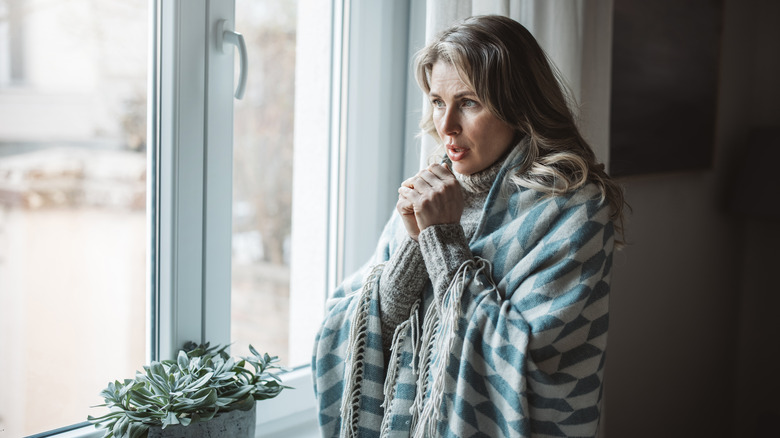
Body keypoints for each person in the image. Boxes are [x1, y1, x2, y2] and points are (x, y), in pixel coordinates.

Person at [312, 14, 625, 438]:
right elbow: (358, 324)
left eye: (469, 102)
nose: (445, 126)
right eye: (438, 102)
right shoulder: (435, 188)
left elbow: (522, 362)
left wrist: (440, 239)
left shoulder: (578, 212)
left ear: (519, 107)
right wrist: (414, 247)